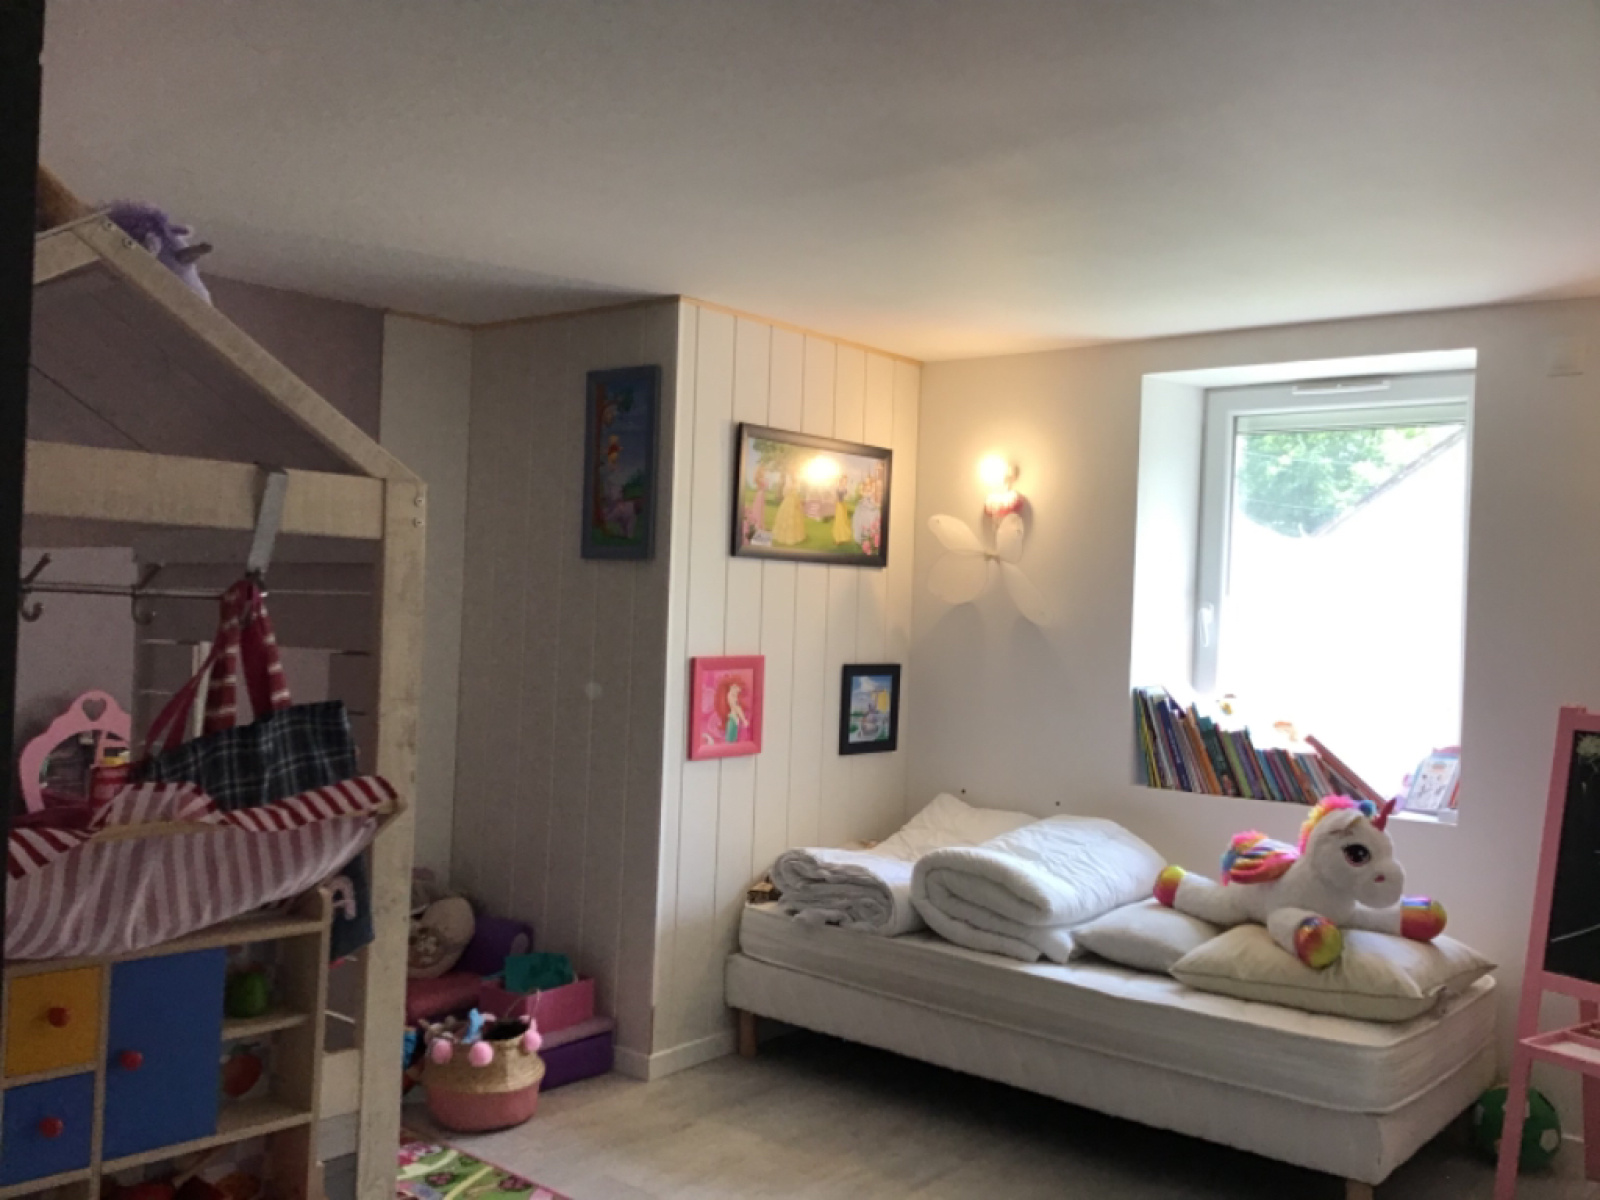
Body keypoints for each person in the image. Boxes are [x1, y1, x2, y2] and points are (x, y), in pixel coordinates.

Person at [771, 471, 806, 545]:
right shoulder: (790, 482)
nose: (795, 476)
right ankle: (786, 535)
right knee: (789, 516)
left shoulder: (796, 482)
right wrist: (790, 495)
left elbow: (787, 492)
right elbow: (785, 492)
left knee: (795, 516)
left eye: (795, 475)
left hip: (794, 499)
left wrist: (796, 497)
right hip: (790, 500)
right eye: (794, 475)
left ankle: (795, 536)